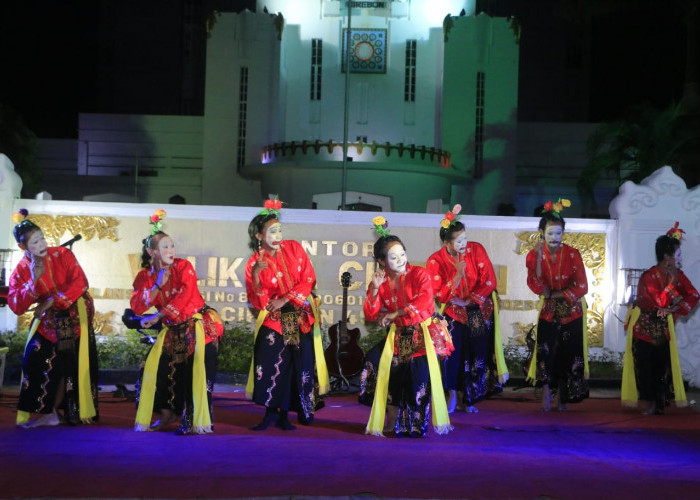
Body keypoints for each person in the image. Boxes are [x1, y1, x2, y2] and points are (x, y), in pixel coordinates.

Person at [131, 209, 223, 434]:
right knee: (160, 374)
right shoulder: (145, 277)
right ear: (151, 251)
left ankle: (195, 419)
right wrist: (158, 285)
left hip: (197, 327)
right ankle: (166, 415)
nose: (171, 250)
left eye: (172, 246)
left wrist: (158, 316)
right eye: (165, 247)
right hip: (172, 332)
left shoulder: (183, 267)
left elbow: (185, 296)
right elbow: (137, 306)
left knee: (195, 375)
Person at [363, 216, 453, 437]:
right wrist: (374, 290)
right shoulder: (380, 281)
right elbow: (371, 314)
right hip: (397, 337)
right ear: (382, 261)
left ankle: (415, 424)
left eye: (402, 254)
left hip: (422, 336)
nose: (401, 259)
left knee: (418, 380)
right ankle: (391, 419)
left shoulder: (419, 274)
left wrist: (396, 313)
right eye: (394, 257)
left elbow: (424, 302)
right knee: (376, 368)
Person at [8, 208, 99, 427]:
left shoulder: (62, 254)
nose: (42, 246)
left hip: (75, 313)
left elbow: (80, 283)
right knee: (36, 358)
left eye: (42, 239)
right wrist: (32, 282)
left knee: (71, 362)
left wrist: (50, 300)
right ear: (23, 247)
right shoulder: (22, 270)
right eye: (35, 243)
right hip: (49, 320)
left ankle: (70, 411)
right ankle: (47, 411)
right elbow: (17, 306)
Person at [244, 198, 328, 431]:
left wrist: (286, 298)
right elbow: (258, 301)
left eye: (279, 229)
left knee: (296, 365)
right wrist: (257, 278)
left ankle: (286, 414)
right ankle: (270, 412)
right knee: (271, 363)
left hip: (298, 314)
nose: (278, 235)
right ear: (259, 236)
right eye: (272, 231)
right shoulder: (254, 262)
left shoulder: (294, 248)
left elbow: (308, 278)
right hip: (275, 320)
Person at [426, 204, 508, 414]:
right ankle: (452, 394)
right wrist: (457, 277)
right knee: (451, 354)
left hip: (479, 308)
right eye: (458, 240)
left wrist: (470, 299)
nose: (464, 243)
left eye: (464, 237)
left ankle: (469, 398)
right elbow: (440, 294)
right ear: (446, 242)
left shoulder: (477, 249)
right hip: (454, 311)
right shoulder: (435, 260)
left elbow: (489, 280)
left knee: (476, 354)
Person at [621, 223, 699, 414]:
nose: (680, 258)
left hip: (663, 328)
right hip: (644, 327)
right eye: (678, 254)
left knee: (662, 366)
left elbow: (694, 295)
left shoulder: (678, 274)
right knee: (645, 366)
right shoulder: (649, 277)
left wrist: (677, 310)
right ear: (667, 256)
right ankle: (647, 403)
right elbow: (659, 302)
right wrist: (672, 287)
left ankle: (659, 402)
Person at [525, 198, 589, 411]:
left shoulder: (572, 253)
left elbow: (582, 287)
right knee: (546, 351)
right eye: (550, 233)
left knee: (568, 353)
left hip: (572, 312)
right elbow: (534, 283)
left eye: (558, 233)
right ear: (542, 232)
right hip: (548, 312)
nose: (555, 237)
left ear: (563, 233)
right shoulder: (534, 255)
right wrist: (539, 266)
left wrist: (556, 293)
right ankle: (545, 390)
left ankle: (564, 394)